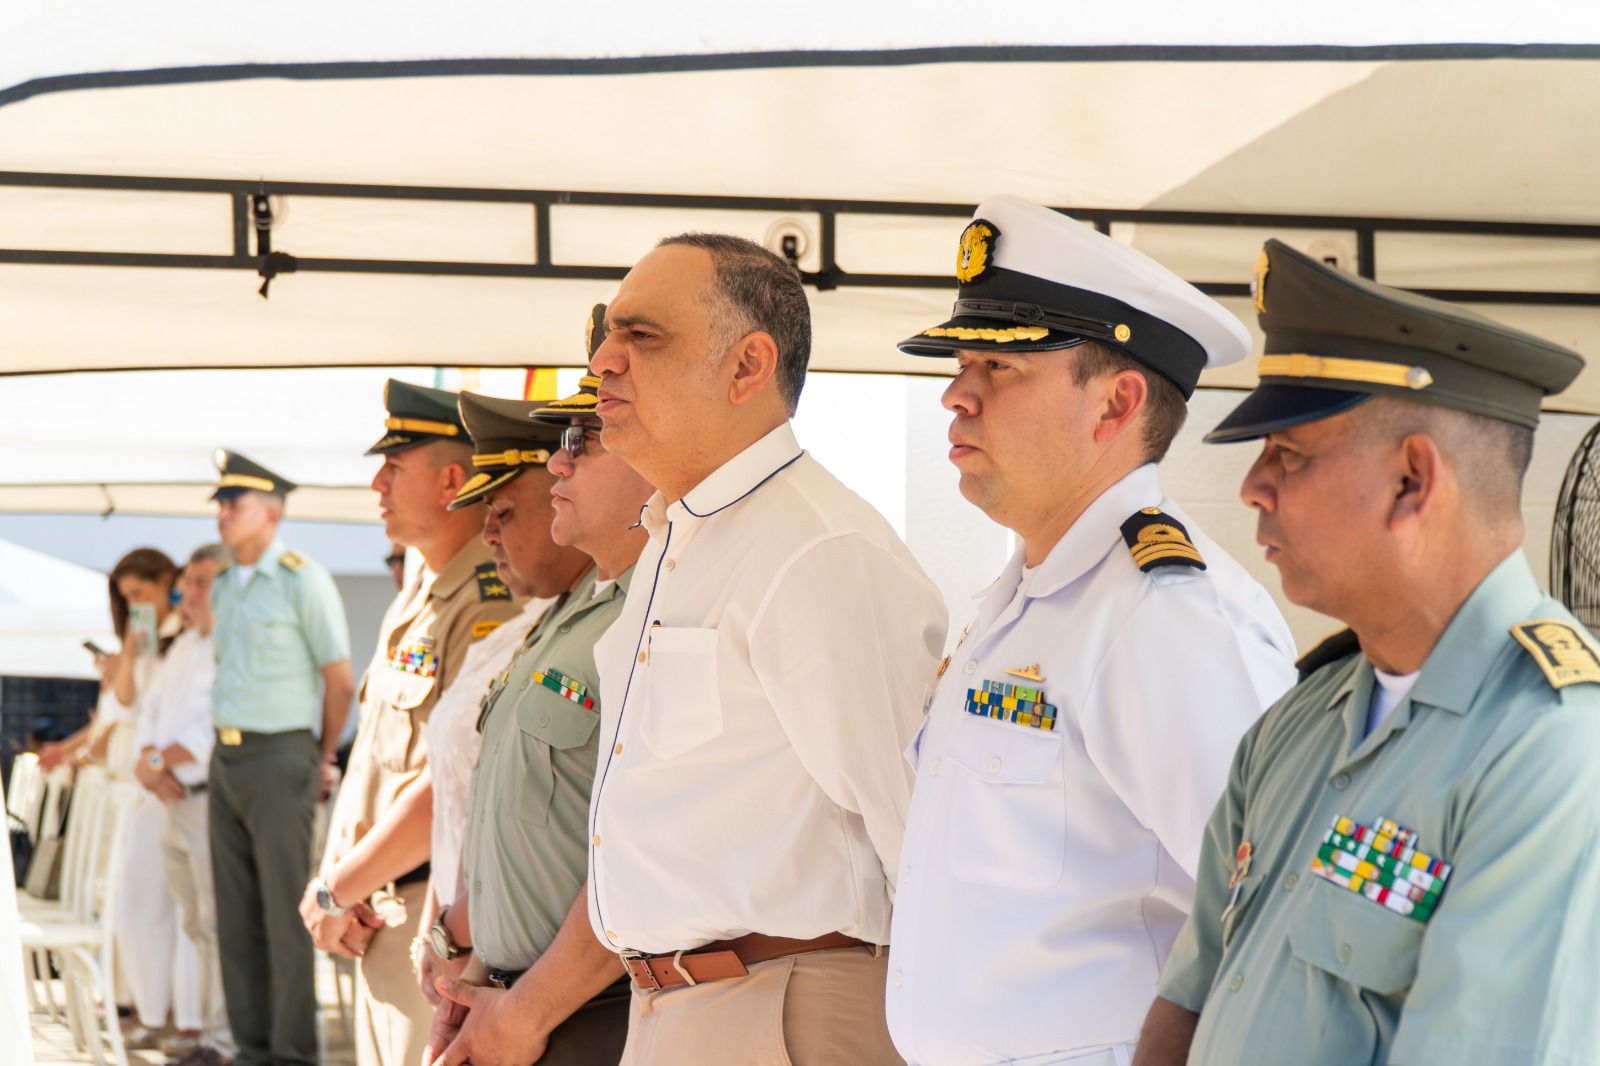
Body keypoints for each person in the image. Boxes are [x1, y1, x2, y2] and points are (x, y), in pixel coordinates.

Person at [1132, 240, 1600, 1066]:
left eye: (1290, 453)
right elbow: (1190, 993)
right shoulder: (1302, 719)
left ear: (1413, 481)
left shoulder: (1553, 742)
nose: (1253, 486)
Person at [884, 195, 1298, 1066]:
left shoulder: (1166, 618)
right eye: (963, 362)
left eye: (1001, 369)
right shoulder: (1023, 600)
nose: (956, 394)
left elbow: (1278, 919)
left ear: (1115, 405)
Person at [585, 233, 948, 1064]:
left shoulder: (819, 550)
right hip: (683, 1008)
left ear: (748, 367)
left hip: (786, 1009)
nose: (603, 359)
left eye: (640, 337)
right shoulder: (679, 539)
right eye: (610, 335)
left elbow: (918, 833)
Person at [426, 359, 655, 1066]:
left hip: (587, 1008)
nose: (561, 463)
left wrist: (524, 1009)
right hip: (514, 1000)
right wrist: (470, 972)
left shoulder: (652, 616)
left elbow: (636, 855)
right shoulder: (572, 616)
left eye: (584, 438)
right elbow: (512, 817)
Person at [300, 380, 523, 1066]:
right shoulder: (420, 589)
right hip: (377, 907)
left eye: (394, 468)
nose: (376, 484)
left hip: (428, 910)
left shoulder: (491, 597)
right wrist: (340, 882)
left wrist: (341, 886)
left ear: (452, 479)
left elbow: (447, 785)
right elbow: (374, 756)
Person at [208, 450, 355, 1066]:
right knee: (236, 915)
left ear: (271, 512)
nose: (221, 514)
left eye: (233, 503)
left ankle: (291, 1054)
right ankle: (251, 1049)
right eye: (219, 503)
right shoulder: (222, 585)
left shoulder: (302, 578)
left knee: (286, 915)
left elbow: (341, 680)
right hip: (229, 758)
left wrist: (318, 755)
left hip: (281, 756)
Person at [133, 544, 233, 1066]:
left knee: (217, 924)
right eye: (187, 582)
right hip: (172, 799)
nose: (187, 592)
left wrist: (154, 762)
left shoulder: (229, 643)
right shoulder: (183, 647)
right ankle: (212, 1037)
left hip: (207, 798)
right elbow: (149, 713)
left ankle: (223, 1041)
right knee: (196, 924)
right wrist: (147, 765)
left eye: (200, 582)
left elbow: (209, 728)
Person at [104, 548, 204, 1056]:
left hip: (184, 779)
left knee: (187, 910)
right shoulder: (149, 644)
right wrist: (128, 646)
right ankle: (150, 1009)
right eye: (127, 599)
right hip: (145, 779)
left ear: (167, 581)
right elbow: (131, 703)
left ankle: (188, 1019)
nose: (136, 604)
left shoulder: (192, 638)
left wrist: (159, 761)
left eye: (140, 593)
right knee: (138, 904)